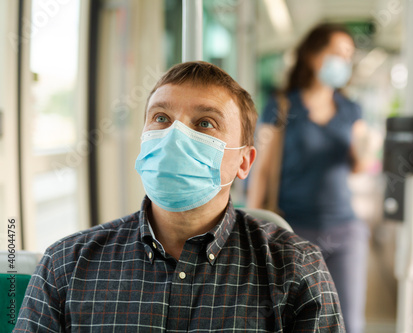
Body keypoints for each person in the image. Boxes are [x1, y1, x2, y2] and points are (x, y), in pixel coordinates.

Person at [14, 61, 345, 332]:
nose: (174, 136)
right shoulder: (67, 264)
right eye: (161, 118)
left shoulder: (295, 270)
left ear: (243, 162)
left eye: (204, 123)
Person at [247, 23, 370, 333]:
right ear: (314, 57)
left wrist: (368, 149)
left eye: (348, 55)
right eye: (337, 53)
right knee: (293, 320)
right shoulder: (283, 105)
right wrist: (250, 224)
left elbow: (359, 166)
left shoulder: (351, 109)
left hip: (344, 229)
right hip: (294, 230)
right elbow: (261, 170)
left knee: (349, 321)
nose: (343, 61)